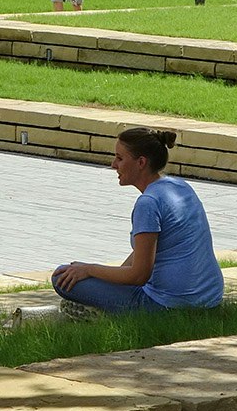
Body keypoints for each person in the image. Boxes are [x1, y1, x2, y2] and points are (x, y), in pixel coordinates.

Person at [51, 127, 223, 315]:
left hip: (168, 306)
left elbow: (139, 275)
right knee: (78, 273)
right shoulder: (180, 187)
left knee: (61, 276)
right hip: (210, 300)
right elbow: (144, 253)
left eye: (120, 158)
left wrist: (89, 270)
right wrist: (107, 277)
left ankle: (100, 315)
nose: (113, 165)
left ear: (141, 162)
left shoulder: (148, 203)